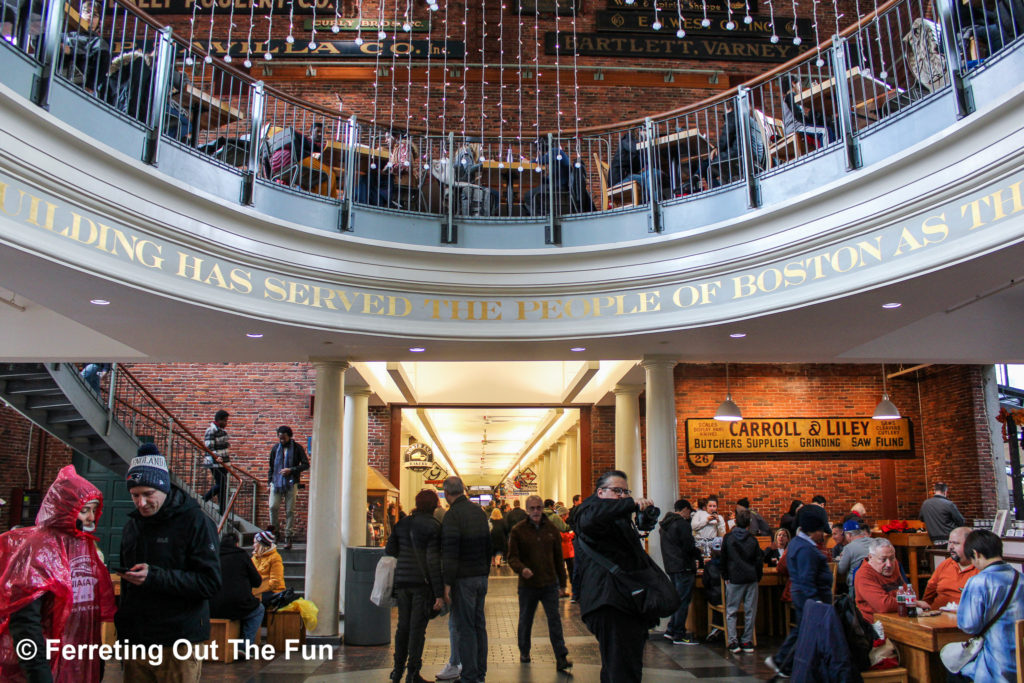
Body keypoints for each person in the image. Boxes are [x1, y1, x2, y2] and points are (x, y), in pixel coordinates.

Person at [0, 465, 116, 682]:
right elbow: (25, 621)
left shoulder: (84, 546)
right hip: (47, 663)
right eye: (85, 510)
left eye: (94, 509)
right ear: (65, 508)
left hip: (79, 661)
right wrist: (39, 673)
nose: (92, 518)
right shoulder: (39, 548)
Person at [117, 445, 221, 682]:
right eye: (135, 495)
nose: (141, 503)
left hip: (178, 642)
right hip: (138, 641)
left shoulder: (195, 522)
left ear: (163, 488)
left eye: (148, 494)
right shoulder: (132, 526)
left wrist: (154, 577)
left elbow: (210, 583)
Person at [575, 469, 657, 683]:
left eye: (625, 492)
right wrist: (631, 504)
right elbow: (592, 519)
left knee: (620, 665)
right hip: (610, 601)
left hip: (623, 600)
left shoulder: (615, 519)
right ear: (600, 492)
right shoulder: (590, 512)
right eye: (617, 491)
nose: (622, 496)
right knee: (621, 669)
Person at [506, 494, 573, 672]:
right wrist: (522, 569)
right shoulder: (518, 531)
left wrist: (562, 583)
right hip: (528, 586)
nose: (536, 511)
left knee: (555, 621)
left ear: (542, 509)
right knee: (526, 620)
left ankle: (561, 656)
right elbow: (512, 557)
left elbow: (559, 558)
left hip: (549, 583)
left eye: (538, 508)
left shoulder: (551, 529)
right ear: (527, 510)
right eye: (532, 509)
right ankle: (524, 650)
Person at [766, 503, 832, 678]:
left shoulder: (797, 543)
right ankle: (785, 662)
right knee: (805, 631)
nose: (823, 534)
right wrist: (815, 601)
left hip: (801, 595)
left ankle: (784, 662)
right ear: (813, 529)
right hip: (809, 598)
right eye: (821, 530)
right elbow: (806, 577)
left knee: (803, 630)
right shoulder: (805, 547)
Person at [385, 489, 445, 683]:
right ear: (434, 505)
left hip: (402, 583)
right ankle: (412, 673)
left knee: (403, 627)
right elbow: (433, 561)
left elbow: (390, 549)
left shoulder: (402, 523)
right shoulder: (434, 526)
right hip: (422, 585)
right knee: (417, 629)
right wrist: (439, 593)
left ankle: (396, 672)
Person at [952, 530, 1024, 683]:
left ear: (976, 554)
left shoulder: (978, 582)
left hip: (996, 666)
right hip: (1020, 663)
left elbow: (968, 626)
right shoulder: (1021, 578)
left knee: (953, 669)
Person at [441, 476, 491, 683]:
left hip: (463, 578)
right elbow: (488, 544)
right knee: (479, 625)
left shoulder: (453, 515)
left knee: (466, 627)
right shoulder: (478, 512)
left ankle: (469, 675)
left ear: (446, 493)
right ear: (462, 490)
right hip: (481, 576)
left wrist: (447, 583)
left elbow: (450, 551)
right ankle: (480, 672)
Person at [209, 532, 264, 650]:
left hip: (212, 606)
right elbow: (257, 581)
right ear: (237, 544)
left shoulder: (212, 556)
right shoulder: (242, 555)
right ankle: (244, 647)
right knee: (259, 609)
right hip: (237, 605)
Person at [854, 538, 927, 623]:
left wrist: (911, 602)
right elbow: (884, 605)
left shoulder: (894, 564)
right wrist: (915, 603)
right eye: (883, 559)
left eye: (892, 558)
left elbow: (906, 592)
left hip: (900, 617)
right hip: (876, 624)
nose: (889, 564)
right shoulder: (863, 574)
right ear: (870, 557)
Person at [658, 498, 700, 645]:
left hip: (672, 566)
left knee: (677, 599)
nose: (690, 516)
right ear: (685, 510)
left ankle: (671, 630)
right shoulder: (681, 524)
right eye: (690, 512)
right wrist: (698, 555)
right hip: (684, 566)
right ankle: (679, 634)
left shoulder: (665, 525)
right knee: (683, 600)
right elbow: (689, 546)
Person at [722, 509, 763, 653]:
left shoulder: (728, 538)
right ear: (749, 523)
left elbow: (724, 559)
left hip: (734, 578)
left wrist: (725, 576)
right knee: (750, 610)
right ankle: (747, 641)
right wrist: (758, 576)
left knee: (731, 611)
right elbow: (758, 560)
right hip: (751, 577)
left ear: (736, 521)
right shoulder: (752, 539)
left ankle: (733, 641)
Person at [267, 425, 309, 550]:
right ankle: (275, 533)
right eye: (280, 438)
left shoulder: (297, 448)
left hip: (292, 482)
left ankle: (288, 536)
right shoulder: (275, 448)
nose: (282, 440)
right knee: (272, 506)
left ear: (289, 436)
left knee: (290, 510)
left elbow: (306, 464)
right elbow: (271, 467)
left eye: (284, 438)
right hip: (276, 482)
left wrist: (291, 470)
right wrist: (269, 482)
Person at [921, 526, 977, 608]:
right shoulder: (946, 564)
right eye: (950, 542)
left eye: (956, 543)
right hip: (936, 615)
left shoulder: (980, 568)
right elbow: (930, 590)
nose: (950, 547)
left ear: (970, 545)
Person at [202, 409, 232, 516]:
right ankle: (204, 499)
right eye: (225, 421)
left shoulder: (221, 431)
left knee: (223, 486)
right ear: (219, 420)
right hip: (214, 462)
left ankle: (222, 510)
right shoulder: (211, 430)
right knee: (221, 484)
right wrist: (216, 457)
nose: (226, 423)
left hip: (223, 463)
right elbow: (208, 447)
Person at [837, 518, 873, 595]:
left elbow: (841, 570)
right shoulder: (874, 542)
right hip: (877, 582)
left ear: (848, 535)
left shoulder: (849, 548)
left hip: (857, 587)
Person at [252, 529, 286, 603]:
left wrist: (256, 590)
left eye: (255, 543)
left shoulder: (275, 557)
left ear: (261, 545)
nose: (253, 546)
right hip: (258, 590)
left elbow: (275, 582)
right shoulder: (254, 558)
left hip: (273, 591)